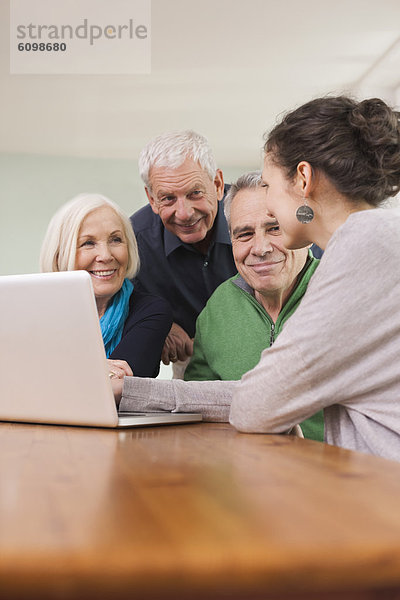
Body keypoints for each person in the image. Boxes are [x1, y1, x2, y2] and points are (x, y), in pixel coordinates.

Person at [113, 96, 400, 461]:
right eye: (243, 234)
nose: (266, 199)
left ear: (303, 179)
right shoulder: (376, 239)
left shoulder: (362, 250)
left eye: (267, 184)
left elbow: (257, 404)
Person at [184, 171, 323, 441]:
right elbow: (196, 406)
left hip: (337, 474)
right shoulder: (218, 307)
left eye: (274, 228)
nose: (260, 248)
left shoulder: (343, 292)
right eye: (244, 234)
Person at [130, 130, 237, 370]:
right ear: (151, 199)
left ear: (217, 185)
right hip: (191, 362)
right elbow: (117, 301)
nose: (185, 213)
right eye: (168, 198)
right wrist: (159, 321)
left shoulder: (259, 213)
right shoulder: (133, 243)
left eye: (195, 193)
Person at [40, 193, 172, 378]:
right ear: (60, 254)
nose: (106, 255)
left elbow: (118, 385)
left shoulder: (151, 311)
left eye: (116, 240)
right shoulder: (36, 313)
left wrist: (50, 367)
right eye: (88, 243)